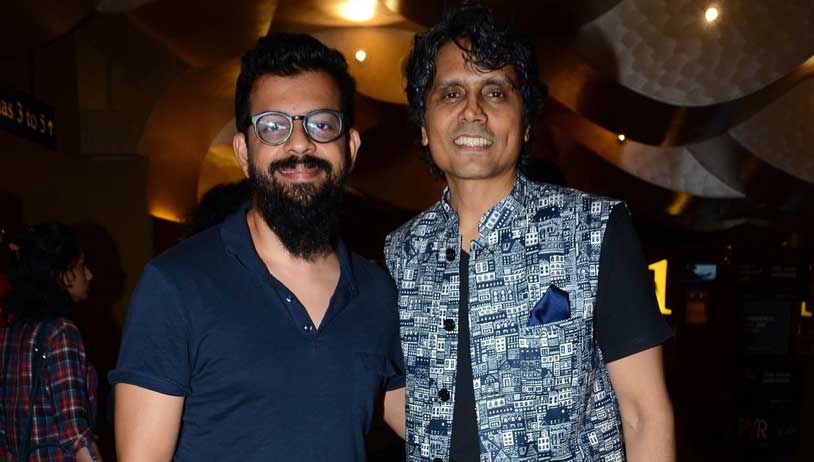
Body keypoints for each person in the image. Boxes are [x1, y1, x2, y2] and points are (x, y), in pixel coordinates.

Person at [384, 5, 674, 461]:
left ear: (525, 125)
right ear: (423, 125)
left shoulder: (593, 231)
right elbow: (399, 397)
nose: (473, 111)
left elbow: (644, 414)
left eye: (495, 92)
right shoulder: (401, 252)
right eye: (451, 93)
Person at [110, 33, 405, 462]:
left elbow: (433, 425)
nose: (299, 143)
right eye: (273, 126)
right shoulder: (175, 285)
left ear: (351, 147)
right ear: (244, 153)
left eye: (322, 124)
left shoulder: (377, 291)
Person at [0, 222, 100, 461]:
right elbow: (76, 434)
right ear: (58, 274)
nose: (89, 274)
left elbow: (6, 435)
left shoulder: (8, 334)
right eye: (81, 265)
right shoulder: (61, 333)